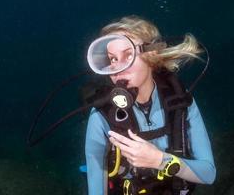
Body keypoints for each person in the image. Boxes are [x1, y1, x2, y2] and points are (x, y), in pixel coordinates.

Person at [85, 15, 216, 195]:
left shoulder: (181, 102)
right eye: (113, 59)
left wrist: (159, 160)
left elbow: (209, 174)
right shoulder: (101, 115)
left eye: (128, 54)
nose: (118, 68)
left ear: (151, 54)